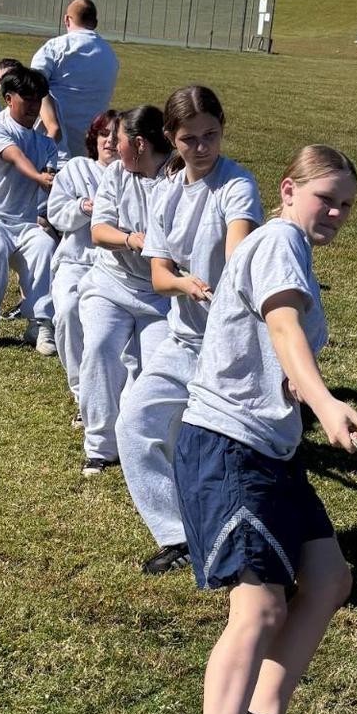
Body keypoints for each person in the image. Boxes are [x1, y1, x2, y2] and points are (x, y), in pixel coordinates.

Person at [163, 145, 357, 714]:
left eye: (347, 204)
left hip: (271, 450)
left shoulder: (288, 249)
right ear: (288, 190)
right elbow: (283, 328)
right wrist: (322, 400)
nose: (337, 214)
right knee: (257, 610)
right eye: (327, 198)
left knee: (329, 579)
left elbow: (275, 344)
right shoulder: (278, 239)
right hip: (226, 448)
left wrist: (298, 395)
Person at [117, 87, 262, 574]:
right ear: (170, 139)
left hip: (231, 345)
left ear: (222, 127)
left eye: (211, 136)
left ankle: (248, 542)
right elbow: (159, 277)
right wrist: (184, 283)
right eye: (189, 139)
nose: (201, 148)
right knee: (133, 426)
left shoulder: (237, 184)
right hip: (183, 338)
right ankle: (177, 534)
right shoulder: (165, 193)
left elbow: (239, 248)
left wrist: (224, 281)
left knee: (223, 451)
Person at [76, 105, 173, 474]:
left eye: (118, 140)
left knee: (156, 369)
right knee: (100, 347)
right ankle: (100, 446)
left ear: (139, 143)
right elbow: (99, 231)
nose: (113, 148)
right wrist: (134, 240)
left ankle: (141, 440)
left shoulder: (178, 179)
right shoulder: (116, 174)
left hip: (161, 295)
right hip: (111, 283)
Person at [0, 65, 60, 356]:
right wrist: (39, 177)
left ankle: (39, 325)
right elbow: (15, 157)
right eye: (25, 97)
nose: (32, 105)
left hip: (25, 223)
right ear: (8, 98)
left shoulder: (45, 144)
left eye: (37, 99)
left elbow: (51, 177)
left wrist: (55, 184)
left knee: (44, 246)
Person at [46, 110, 119, 412]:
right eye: (104, 135)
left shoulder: (133, 176)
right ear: (94, 139)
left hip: (113, 265)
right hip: (76, 260)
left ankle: (108, 391)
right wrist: (81, 208)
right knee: (67, 311)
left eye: (117, 136)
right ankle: (81, 390)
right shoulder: (77, 169)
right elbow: (56, 214)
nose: (110, 142)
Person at [31, 0, 119, 158]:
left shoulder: (55, 47)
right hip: (91, 145)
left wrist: (52, 127)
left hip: (52, 143)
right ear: (95, 22)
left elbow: (32, 86)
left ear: (66, 19)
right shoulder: (110, 54)